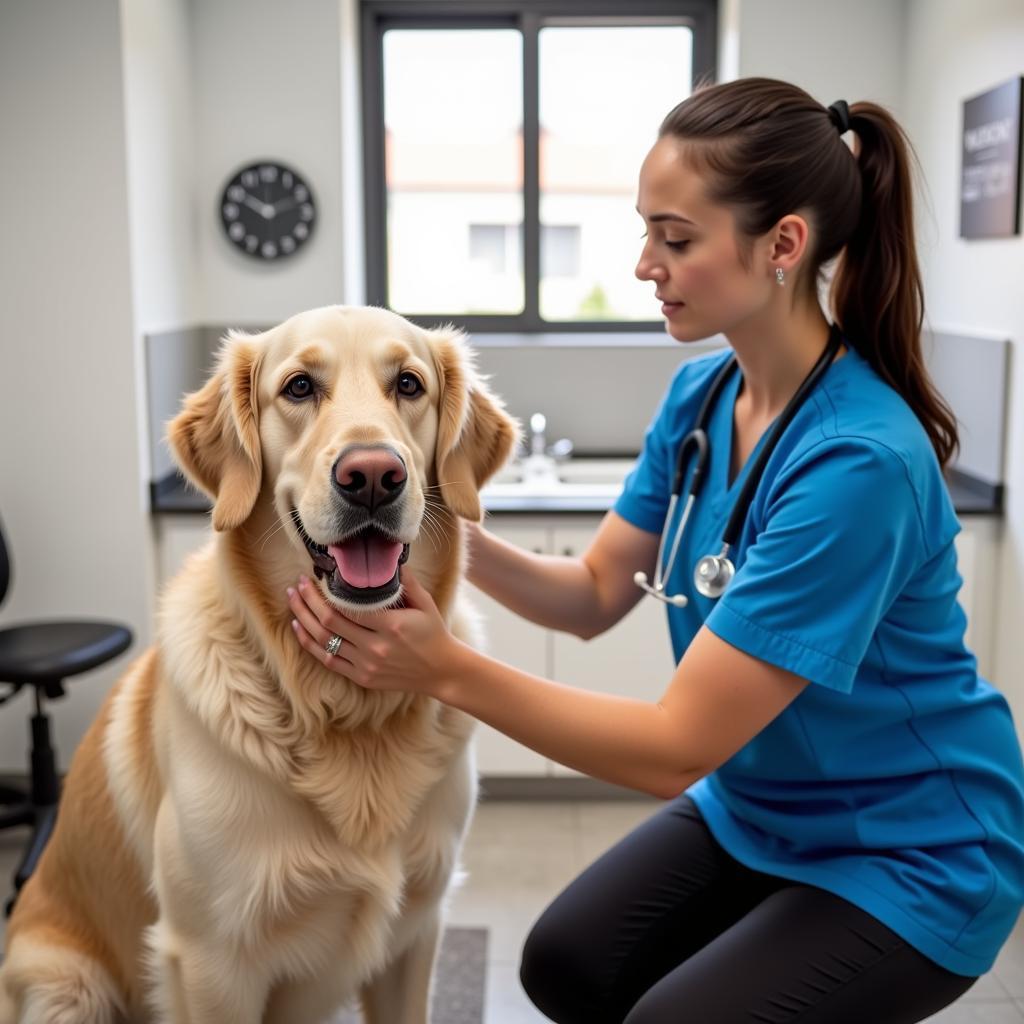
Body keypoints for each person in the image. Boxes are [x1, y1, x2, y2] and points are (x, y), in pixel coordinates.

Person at [286, 77, 1024, 1023]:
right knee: (563, 965)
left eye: (675, 239)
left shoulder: (858, 464)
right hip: (765, 810)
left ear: (783, 246)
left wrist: (443, 670)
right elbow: (592, 595)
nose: (645, 265)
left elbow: (677, 747)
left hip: (912, 849)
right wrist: (433, 522)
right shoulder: (701, 401)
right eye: (646, 233)